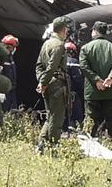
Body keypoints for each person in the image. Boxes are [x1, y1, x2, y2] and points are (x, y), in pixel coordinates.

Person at [80, 21, 112, 141]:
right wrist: (111, 78)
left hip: (92, 91)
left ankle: (89, 145)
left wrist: (96, 80)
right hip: (110, 90)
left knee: (91, 120)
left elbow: (84, 67)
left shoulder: (85, 48)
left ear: (94, 31)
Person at [35, 16, 71, 151]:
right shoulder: (59, 45)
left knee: (49, 116)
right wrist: (43, 82)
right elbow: (52, 66)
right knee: (57, 119)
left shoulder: (46, 44)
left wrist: (41, 81)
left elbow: (39, 65)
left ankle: (41, 145)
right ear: (63, 29)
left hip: (48, 84)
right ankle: (53, 148)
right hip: (57, 85)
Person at [64, 40, 85, 132]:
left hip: (59, 93)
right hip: (72, 94)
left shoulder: (58, 61)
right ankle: (74, 133)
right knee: (77, 115)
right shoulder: (73, 61)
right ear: (72, 51)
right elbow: (77, 79)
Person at [1, 35, 19, 112]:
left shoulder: (10, 57)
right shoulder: (0, 58)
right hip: (3, 90)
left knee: (13, 110)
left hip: (11, 88)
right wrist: (0, 91)